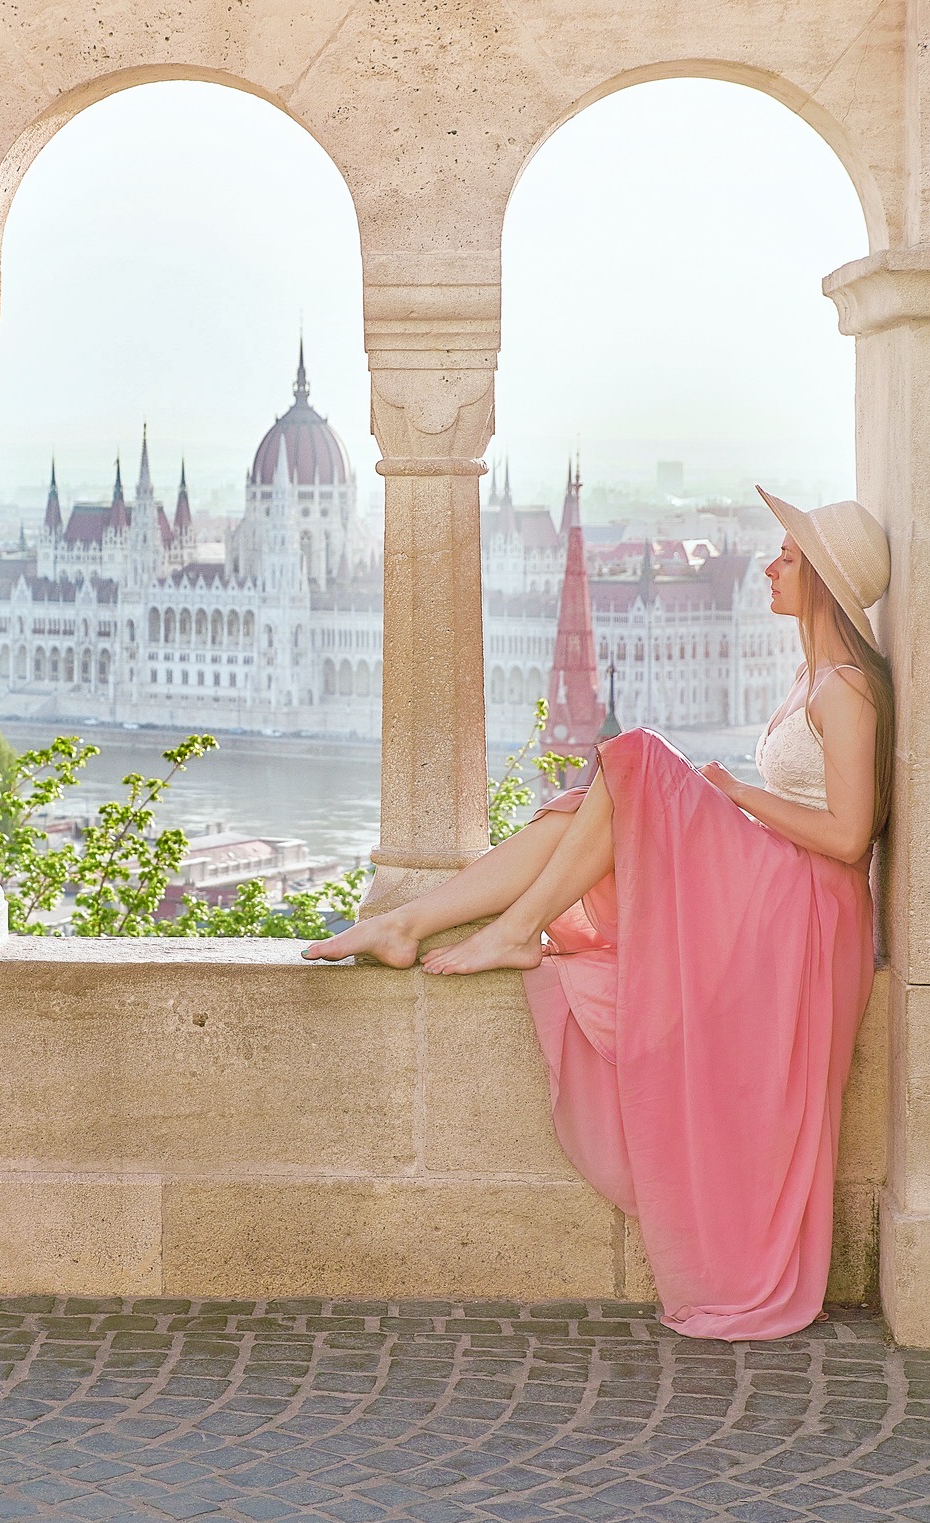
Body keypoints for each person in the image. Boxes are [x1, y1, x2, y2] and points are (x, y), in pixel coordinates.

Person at [303, 490, 893, 1341]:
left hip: (806, 910)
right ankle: (415, 920)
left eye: (789, 559)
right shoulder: (811, 678)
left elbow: (847, 838)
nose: (771, 566)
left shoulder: (845, 690)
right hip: (780, 884)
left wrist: (736, 796)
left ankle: (508, 929)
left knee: (640, 758)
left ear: (827, 586)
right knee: (592, 794)